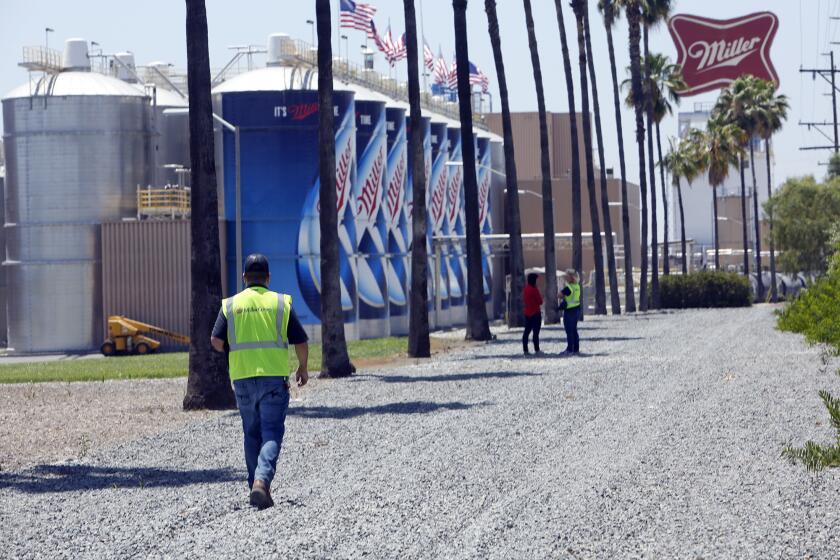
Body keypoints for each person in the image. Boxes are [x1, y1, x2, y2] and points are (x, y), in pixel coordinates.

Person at [210, 254, 309, 509]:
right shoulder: (280, 303)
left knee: (251, 433)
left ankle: (255, 486)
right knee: (272, 432)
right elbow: (300, 340)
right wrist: (303, 368)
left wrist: (233, 352)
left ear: (244, 278)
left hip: (242, 380)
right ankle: (261, 482)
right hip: (273, 379)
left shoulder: (230, 305)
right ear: (268, 278)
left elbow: (216, 341)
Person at [558, 269, 581, 356]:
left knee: (569, 331)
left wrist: (561, 288)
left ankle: (569, 349)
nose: (565, 278)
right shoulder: (577, 286)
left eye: (566, 276)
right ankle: (576, 349)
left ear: (570, 277)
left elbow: (559, 295)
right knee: (574, 330)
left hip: (569, 311)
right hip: (576, 309)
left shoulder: (569, 287)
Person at [522, 272, 543, 355]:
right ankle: (537, 349)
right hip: (536, 313)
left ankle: (525, 349)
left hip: (527, 313)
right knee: (535, 333)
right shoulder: (534, 289)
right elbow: (540, 301)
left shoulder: (525, 289)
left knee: (526, 332)